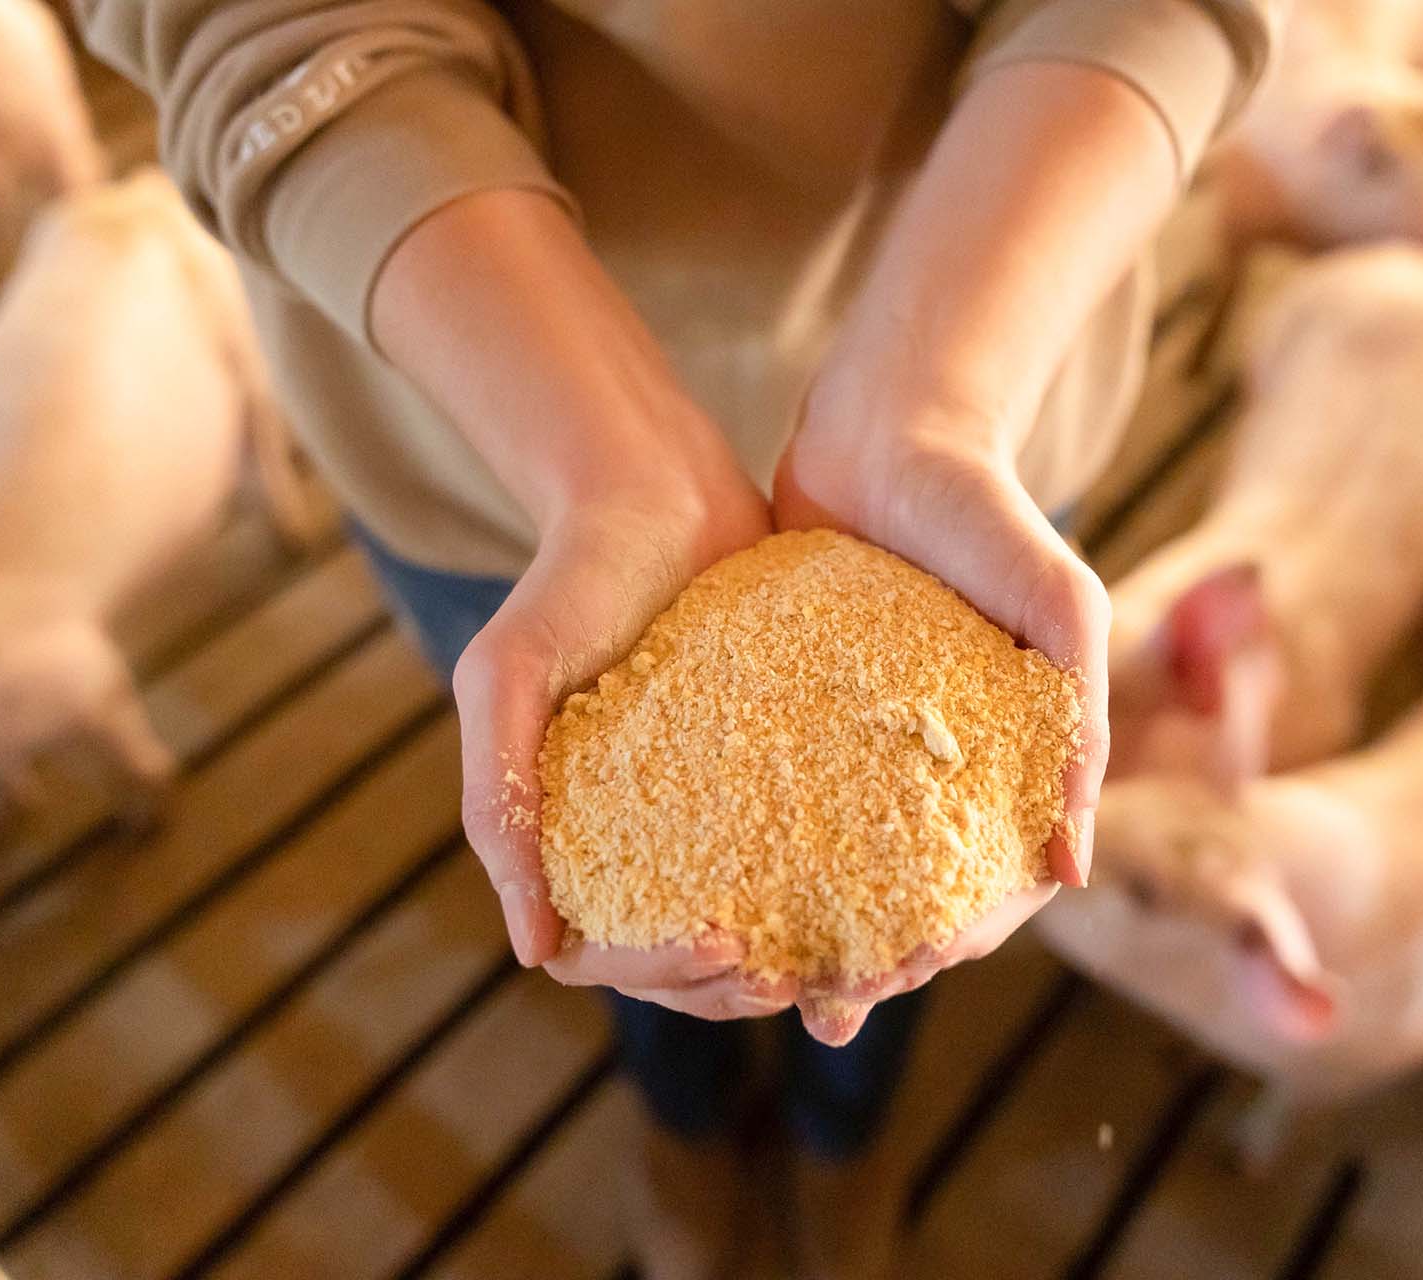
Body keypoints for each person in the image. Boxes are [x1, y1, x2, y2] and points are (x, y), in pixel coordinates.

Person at [71, 2, 1281, 1275]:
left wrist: (933, 407)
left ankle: (843, 1138)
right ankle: (684, 1117)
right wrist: (609, 466)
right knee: (614, 906)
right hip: (480, 383)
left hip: (984, 334)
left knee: (902, 919)